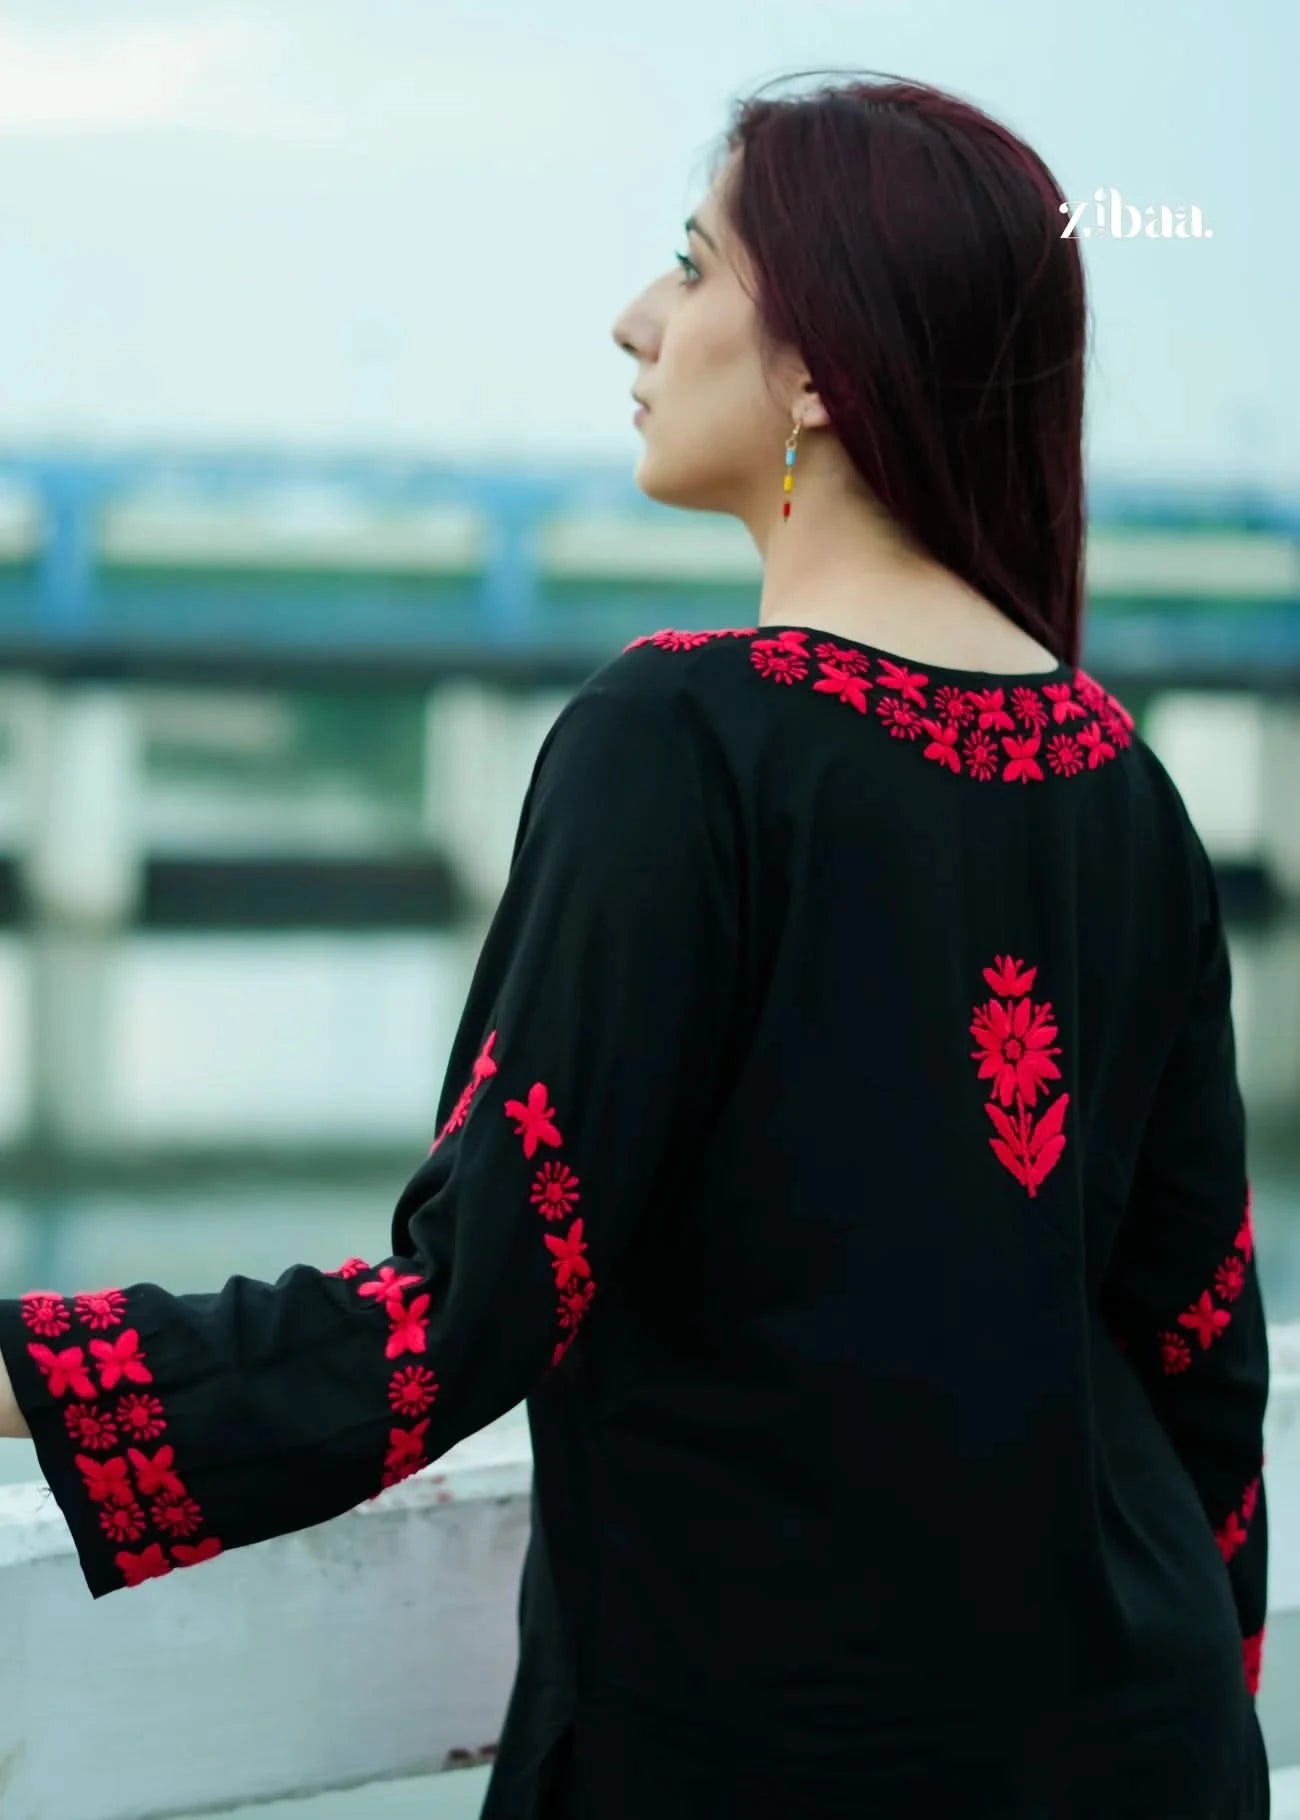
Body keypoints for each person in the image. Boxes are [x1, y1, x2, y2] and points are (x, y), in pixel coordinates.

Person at [0, 69, 1272, 1820]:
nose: (636, 319)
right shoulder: (1122, 784)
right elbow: (1204, 1351)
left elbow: (460, 1315)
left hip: (770, 1758)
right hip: (1147, 1749)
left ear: (819, 364)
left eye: (689, 266)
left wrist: (32, 1374)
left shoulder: (678, 742)